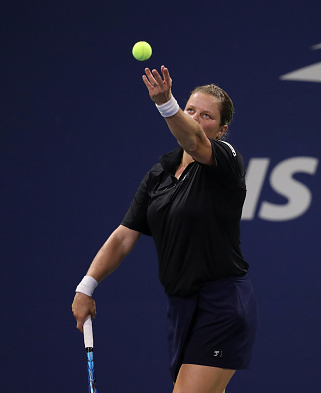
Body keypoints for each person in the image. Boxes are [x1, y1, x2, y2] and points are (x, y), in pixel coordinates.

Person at [71, 65, 258, 393]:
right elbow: (125, 234)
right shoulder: (160, 174)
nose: (197, 119)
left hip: (222, 303)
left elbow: (196, 140)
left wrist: (166, 104)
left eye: (207, 116)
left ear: (222, 129)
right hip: (183, 306)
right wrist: (87, 286)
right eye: (190, 110)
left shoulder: (226, 161)